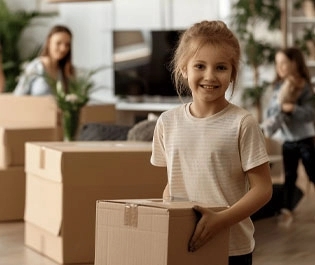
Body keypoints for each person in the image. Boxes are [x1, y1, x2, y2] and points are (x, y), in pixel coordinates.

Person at [150, 20, 272, 265]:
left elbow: (263, 189)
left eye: (220, 67)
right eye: (199, 66)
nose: (210, 76)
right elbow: (173, 184)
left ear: (232, 73)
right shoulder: (167, 122)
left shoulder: (242, 123)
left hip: (232, 247)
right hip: (184, 242)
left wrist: (221, 220)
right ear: (184, 69)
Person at [263, 47, 315, 227]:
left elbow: (310, 114)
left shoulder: (305, 87)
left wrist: (293, 108)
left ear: (295, 63)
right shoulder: (278, 88)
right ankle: (286, 209)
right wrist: (281, 108)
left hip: (305, 139)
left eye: (284, 63)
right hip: (288, 141)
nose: (280, 67)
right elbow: (270, 111)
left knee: (312, 173)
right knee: (289, 176)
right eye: (278, 64)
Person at [13, 25, 75, 96]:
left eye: (67, 45)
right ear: (49, 42)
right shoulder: (35, 67)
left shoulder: (66, 71)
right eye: (58, 43)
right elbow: (18, 96)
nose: (63, 48)